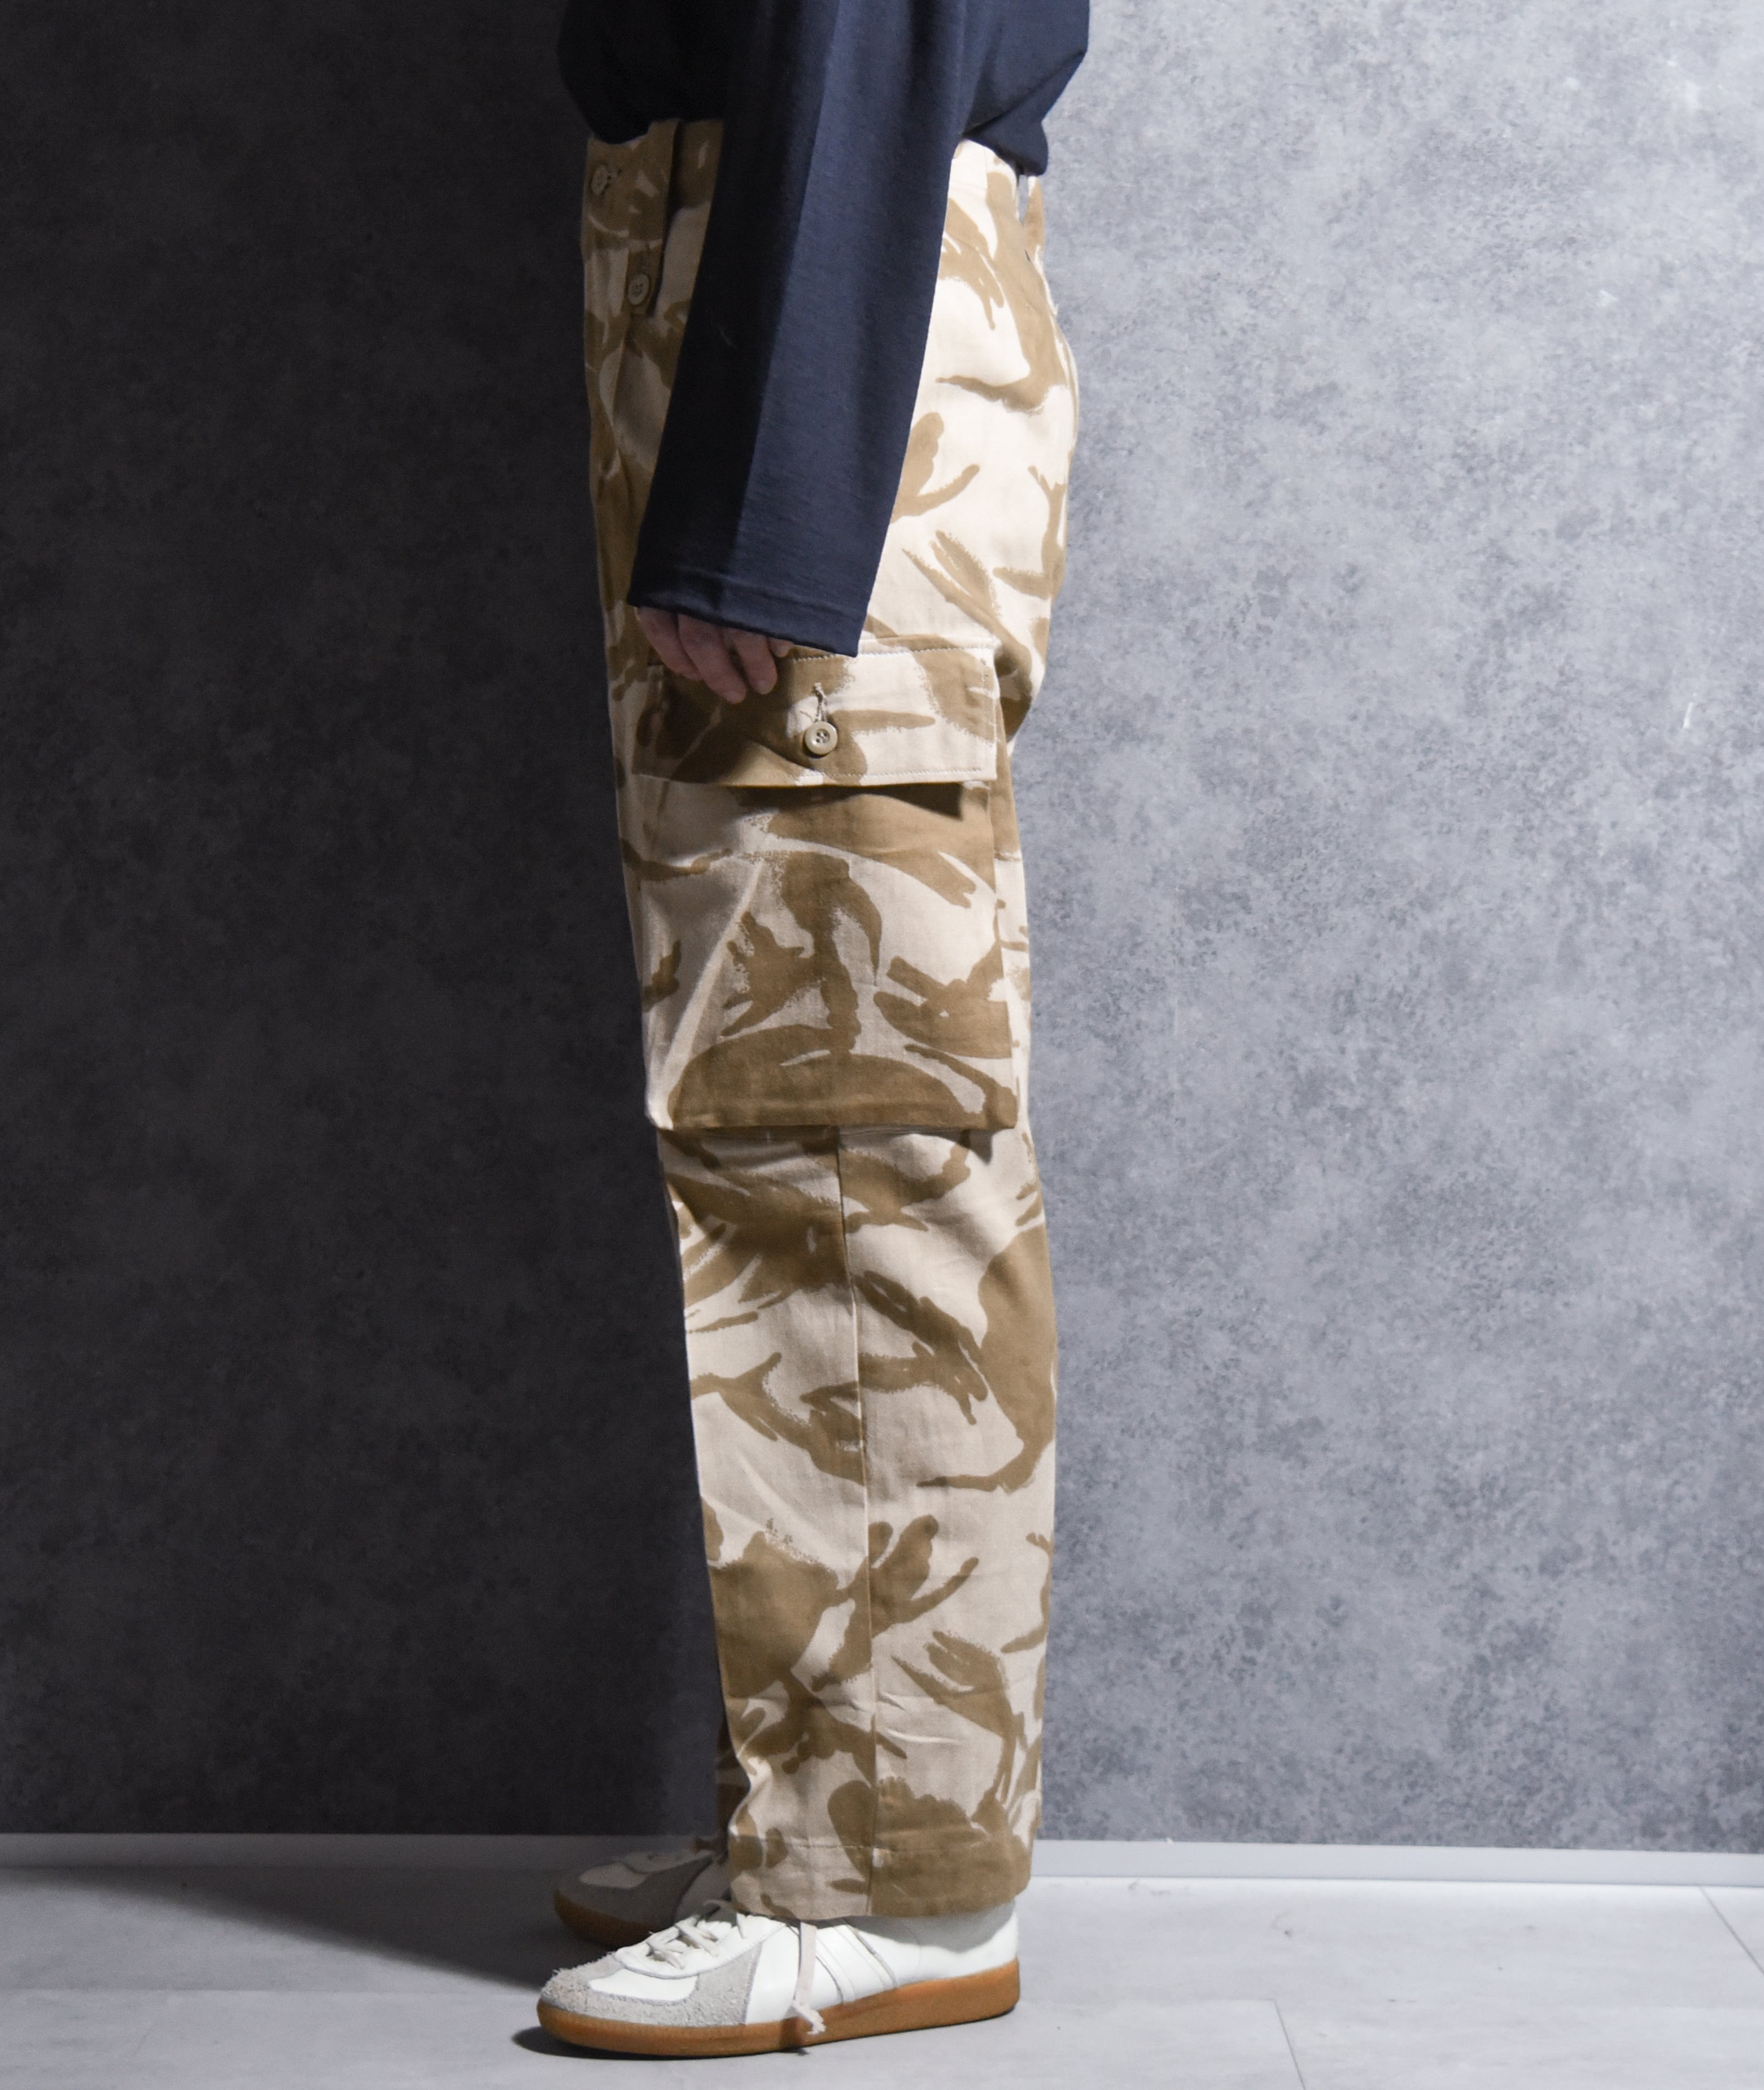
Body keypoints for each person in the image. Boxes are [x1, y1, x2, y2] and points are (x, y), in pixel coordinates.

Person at [539, 0, 1087, 2057]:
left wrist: (769, 499)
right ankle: (822, 1815)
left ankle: (893, 1887)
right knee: (782, 1106)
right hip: (760, 279)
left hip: (822, 317)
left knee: (855, 1125)